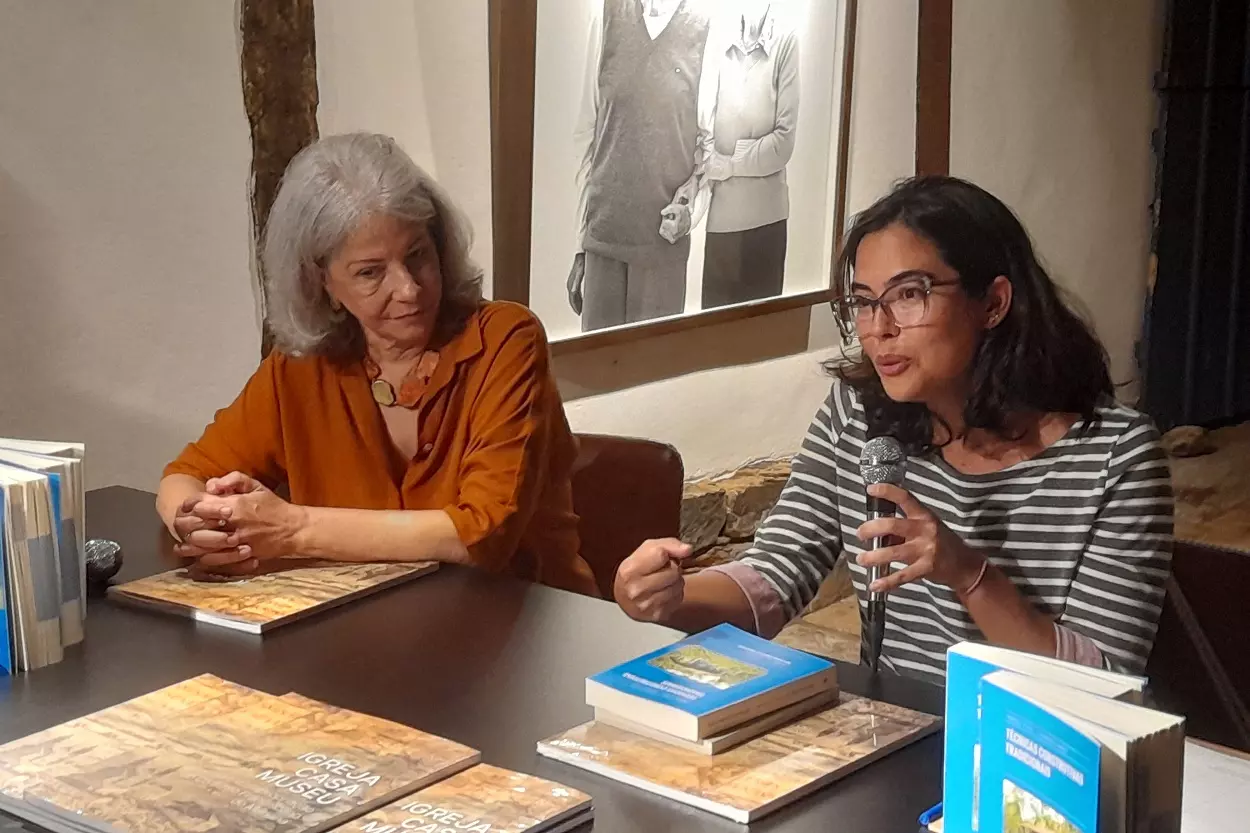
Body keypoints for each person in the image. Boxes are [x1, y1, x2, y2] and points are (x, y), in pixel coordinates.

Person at [614, 175, 1174, 683]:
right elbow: (774, 579)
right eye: (863, 302)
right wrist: (669, 598)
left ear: (995, 303)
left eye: (910, 295)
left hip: (1032, 761)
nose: (879, 329)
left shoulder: (1114, 457)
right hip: (893, 742)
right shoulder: (857, 416)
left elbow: (1106, 683)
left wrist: (969, 574)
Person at [157, 132, 597, 597]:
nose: (408, 289)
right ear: (321, 282)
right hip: (371, 633)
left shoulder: (506, 339)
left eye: (418, 256)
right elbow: (183, 477)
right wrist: (202, 522)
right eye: (371, 272)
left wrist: (290, 527)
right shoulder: (301, 368)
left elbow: (480, 534)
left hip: (528, 630)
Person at [567, 0, 718, 331]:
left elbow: (710, 150)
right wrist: (580, 247)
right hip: (602, 244)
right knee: (600, 375)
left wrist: (690, 213)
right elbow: (589, 136)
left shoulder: (704, 28)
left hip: (660, 252)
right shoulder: (606, 15)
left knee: (654, 376)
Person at [702, 1, 799, 309]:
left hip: (766, 223)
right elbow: (704, 130)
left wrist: (730, 164)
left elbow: (783, 143)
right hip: (720, 222)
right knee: (713, 342)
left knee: (762, 339)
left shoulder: (786, 40)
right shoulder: (717, 36)